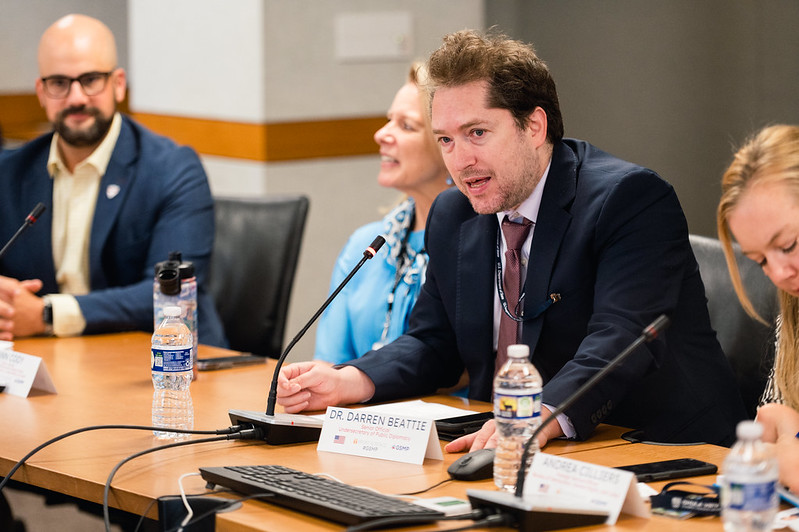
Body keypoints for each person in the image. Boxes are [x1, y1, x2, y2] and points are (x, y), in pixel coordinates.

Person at [278, 29, 746, 450]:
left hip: (663, 448)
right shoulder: (454, 212)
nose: (460, 160)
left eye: (477, 133)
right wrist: (351, 380)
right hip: (510, 445)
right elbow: (432, 341)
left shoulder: (629, 199)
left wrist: (538, 416)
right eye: (445, 140)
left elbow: (621, 339)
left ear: (534, 127)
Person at [0, 14, 226, 346]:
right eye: (59, 83)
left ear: (118, 84)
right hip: (52, 357)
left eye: (91, 79)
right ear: (41, 92)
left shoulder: (173, 170)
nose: (76, 98)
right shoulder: (9, 171)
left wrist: (47, 314)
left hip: (163, 361)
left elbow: (172, 291)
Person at [314, 62, 450, 364]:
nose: (380, 134)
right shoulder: (365, 246)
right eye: (389, 120)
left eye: (406, 126)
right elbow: (329, 363)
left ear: (447, 143)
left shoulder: (481, 246)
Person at [717, 124, 799, 493]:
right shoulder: (794, 308)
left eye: (789, 244)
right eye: (761, 260)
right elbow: (773, 427)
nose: (779, 274)